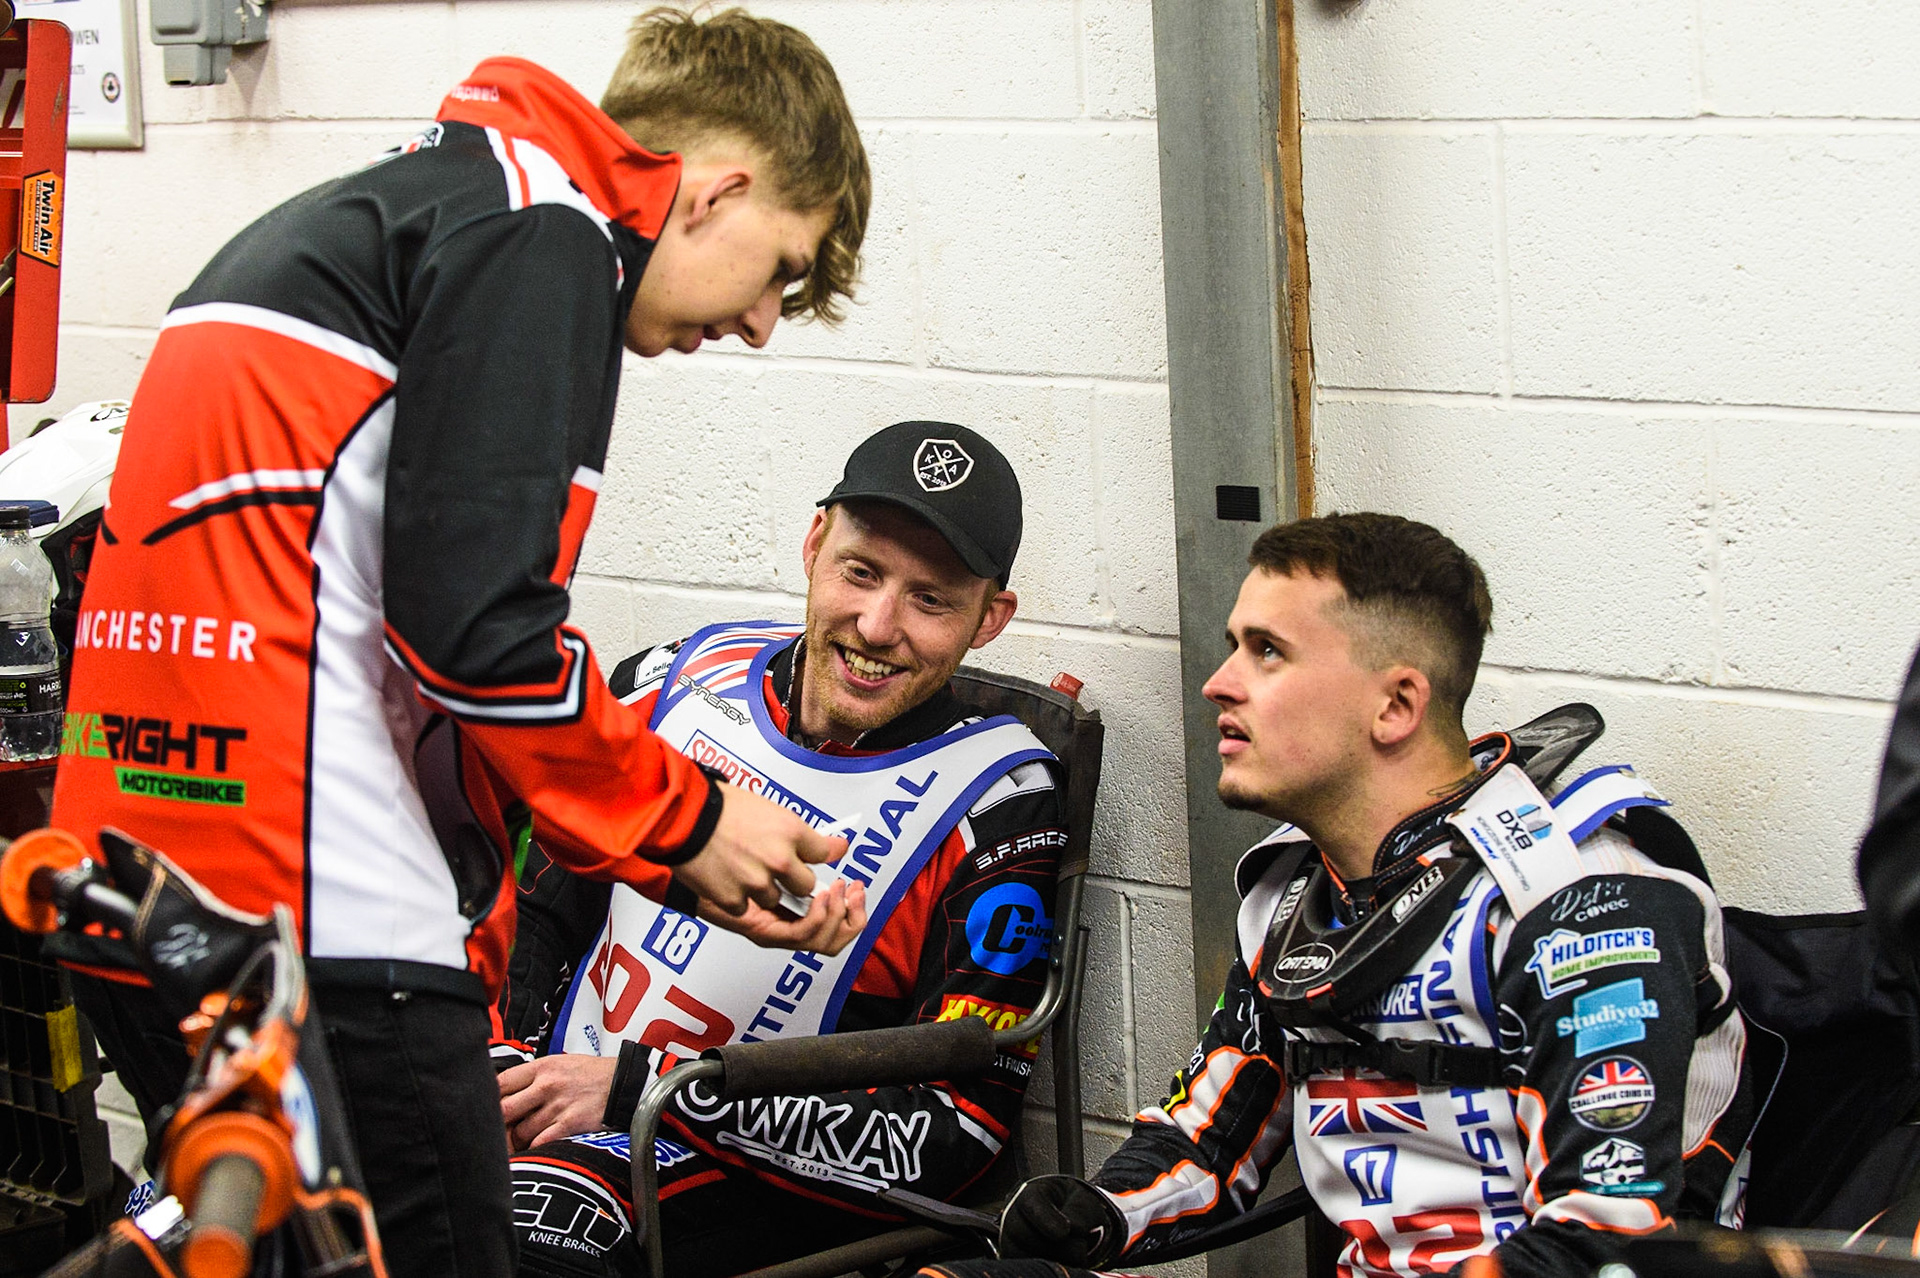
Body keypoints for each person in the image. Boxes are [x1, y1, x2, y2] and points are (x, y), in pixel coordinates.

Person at [48, 9, 869, 1276]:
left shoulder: (372, 214)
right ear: (721, 189)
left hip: (146, 873)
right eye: (785, 269)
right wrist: (688, 822)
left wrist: (659, 851)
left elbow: (389, 622)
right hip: (316, 918)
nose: (764, 322)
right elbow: (477, 637)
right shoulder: (541, 234)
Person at [922, 513, 1755, 1278]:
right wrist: (1097, 1214)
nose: (1218, 682)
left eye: (1267, 651)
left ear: (1395, 705)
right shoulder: (1297, 894)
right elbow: (1208, 1138)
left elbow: (1605, 1235)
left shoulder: (1582, 891)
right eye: (1233, 646)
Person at [494, 421, 1067, 1277]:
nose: (877, 626)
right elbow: (539, 905)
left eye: (932, 599)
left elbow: (962, 1132)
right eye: (861, 571)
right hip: (551, 1108)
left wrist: (644, 1091)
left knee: (523, 1237)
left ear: (991, 619)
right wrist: (499, 1063)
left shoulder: (999, 801)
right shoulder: (672, 679)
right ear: (813, 543)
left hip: (748, 1173)